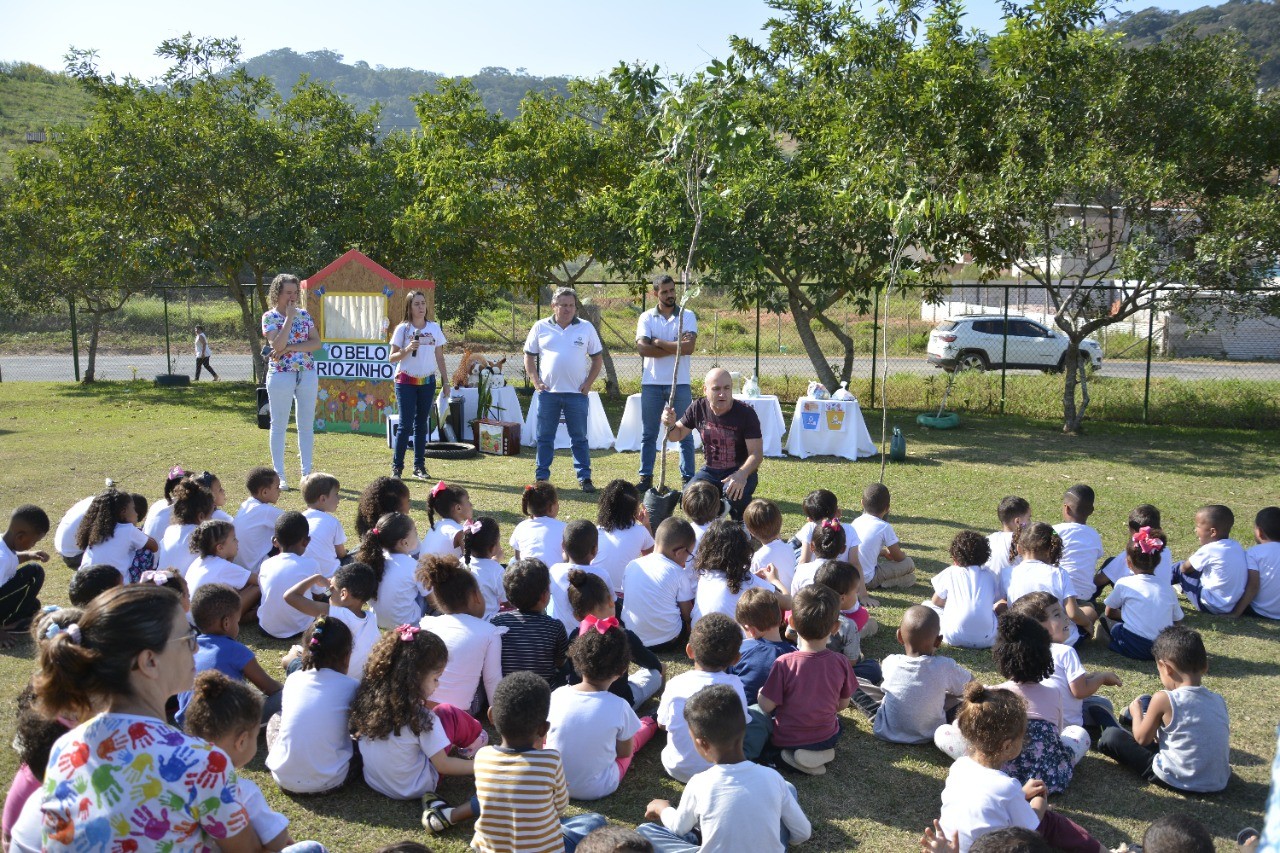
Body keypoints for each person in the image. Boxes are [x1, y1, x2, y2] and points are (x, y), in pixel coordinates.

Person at [33, 584, 261, 851]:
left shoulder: (64, 748)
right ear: (149, 662)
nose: (196, 649)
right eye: (188, 637)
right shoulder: (202, 761)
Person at [930, 683, 1105, 853]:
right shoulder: (1007, 787)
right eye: (1022, 737)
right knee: (1050, 820)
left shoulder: (959, 767)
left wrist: (1020, 794)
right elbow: (1029, 829)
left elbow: (985, 802)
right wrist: (1039, 804)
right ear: (1007, 746)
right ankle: (1103, 851)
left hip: (951, 847)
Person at [637, 684, 811, 853]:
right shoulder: (773, 777)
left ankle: (702, 838)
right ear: (745, 728)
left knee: (646, 831)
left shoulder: (699, 783)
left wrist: (663, 808)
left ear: (701, 743)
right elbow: (803, 833)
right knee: (788, 789)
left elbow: (679, 828)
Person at [936, 614, 1087, 794]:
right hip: (1047, 777)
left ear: (1001, 656)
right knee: (1078, 732)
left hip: (999, 773)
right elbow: (1059, 732)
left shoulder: (992, 693)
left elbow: (970, 732)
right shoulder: (1054, 692)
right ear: (1046, 655)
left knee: (942, 733)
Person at [349, 627, 484, 819]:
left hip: (375, 782)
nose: (438, 685)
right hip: (416, 786)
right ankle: (476, 739)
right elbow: (443, 766)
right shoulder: (422, 718)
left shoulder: (366, 700)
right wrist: (481, 766)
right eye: (436, 678)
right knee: (448, 712)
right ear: (414, 678)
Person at [184, 672, 327, 852]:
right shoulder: (243, 791)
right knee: (314, 848)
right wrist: (282, 839)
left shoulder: (179, 779)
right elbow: (276, 840)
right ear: (242, 741)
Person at [468, 671, 608, 852]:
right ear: (544, 729)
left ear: (492, 716)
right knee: (594, 821)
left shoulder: (482, 757)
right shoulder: (550, 760)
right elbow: (559, 808)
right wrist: (560, 789)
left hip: (489, 849)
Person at [1096, 625, 1230, 794]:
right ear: (1205, 666)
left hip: (1178, 779)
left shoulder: (1164, 698)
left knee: (1111, 737)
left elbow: (1142, 739)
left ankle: (1128, 715)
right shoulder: (1218, 700)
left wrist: (1136, 712)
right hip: (1217, 781)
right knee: (1148, 702)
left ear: (1165, 667)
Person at [546, 616, 657, 800]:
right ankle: (650, 723)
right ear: (622, 671)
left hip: (555, 784)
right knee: (633, 742)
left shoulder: (557, 695)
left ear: (577, 659)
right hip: (598, 787)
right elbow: (624, 752)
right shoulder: (619, 706)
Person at [758, 585, 857, 776]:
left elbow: (766, 706)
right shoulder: (841, 662)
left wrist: (762, 693)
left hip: (786, 738)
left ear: (791, 622)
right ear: (835, 627)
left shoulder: (784, 663)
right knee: (840, 725)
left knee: (765, 738)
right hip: (827, 736)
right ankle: (820, 753)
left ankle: (789, 759)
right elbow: (842, 704)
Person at [1008, 592, 1120, 749]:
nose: (1066, 617)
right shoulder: (1065, 652)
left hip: (1032, 725)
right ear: (1037, 627)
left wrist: (1089, 677)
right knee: (1102, 703)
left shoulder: (1021, 654)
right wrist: (1102, 678)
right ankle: (1110, 732)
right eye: (1057, 615)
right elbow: (1080, 691)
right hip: (1067, 729)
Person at [266, 615, 360, 794]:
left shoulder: (293, 679)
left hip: (283, 778)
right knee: (361, 740)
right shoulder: (351, 686)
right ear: (347, 657)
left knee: (275, 720)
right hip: (331, 780)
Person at [852, 606, 973, 745]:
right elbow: (972, 685)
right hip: (932, 732)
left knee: (851, 681)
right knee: (969, 698)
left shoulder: (891, 661)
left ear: (899, 636)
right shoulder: (945, 666)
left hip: (888, 728)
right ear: (938, 641)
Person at [656, 612, 754, 783]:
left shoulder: (676, 684)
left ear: (689, 651)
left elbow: (662, 724)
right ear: (736, 659)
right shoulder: (734, 685)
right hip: (718, 770)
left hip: (677, 768)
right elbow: (742, 724)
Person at [523, 286, 604, 492]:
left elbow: (597, 359)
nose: (567, 309)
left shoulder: (586, 328)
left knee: (579, 438)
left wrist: (588, 383)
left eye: (571, 305)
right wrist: (535, 381)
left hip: (577, 394)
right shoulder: (540, 327)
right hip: (548, 394)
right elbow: (529, 356)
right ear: (553, 306)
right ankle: (542, 478)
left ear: (575, 307)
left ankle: (585, 478)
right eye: (563, 305)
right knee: (545, 437)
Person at [662, 368, 763, 521]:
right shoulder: (698, 407)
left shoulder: (746, 413)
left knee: (734, 493)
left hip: (740, 470)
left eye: (727, 388)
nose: (722, 394)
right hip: (710, 470)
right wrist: (669, 424)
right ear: (705, 390)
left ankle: (741, 519)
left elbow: (756, 454)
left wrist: (741, 474)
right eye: (716, 389)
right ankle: (713, 517)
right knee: (688, 498)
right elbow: (676, 435)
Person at [175, 583, 282, 726]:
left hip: (189, 727)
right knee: (288, 693)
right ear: (226, 623)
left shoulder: (188, 648)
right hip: (225, 729)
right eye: (237, 621)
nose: (237, 626)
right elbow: (271, 688)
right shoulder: (236, 650)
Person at [565, 569, 665, 710]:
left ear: (577, 615)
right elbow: (652, 663)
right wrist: (660, 668)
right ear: (611, 602)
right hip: (619, 703)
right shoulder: (623, 636)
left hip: (580, 702)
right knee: (654, 675)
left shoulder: (574, 637)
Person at [418, 555, 506, 714]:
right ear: (476, 596)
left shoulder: (427, 625)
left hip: (423, 706)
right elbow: (492, 679)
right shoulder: (489, 632)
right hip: (458, 714)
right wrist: (498, 714)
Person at [635, 274, 698, 492]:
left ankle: (688, 478)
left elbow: (688, 348)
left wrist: (659, 343)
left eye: (672, 290)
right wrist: (675, 346)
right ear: (655, 294)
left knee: (685, 432)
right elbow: (643, 349)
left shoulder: (687, 315)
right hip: (651, 383)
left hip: (680, 383)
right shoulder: (646, 317)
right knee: (649, 433)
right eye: (665, 292)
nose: (670, 295)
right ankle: (646, 478)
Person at [262, 272, 322, 491]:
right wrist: (288, 318)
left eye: (295, 292)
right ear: (277, 294)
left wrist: (291, 348)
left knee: (306, 425)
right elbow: (277, 345)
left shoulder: (305, 315)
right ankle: (280, 476)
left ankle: (307, 474)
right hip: (281, 374)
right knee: (279, 425)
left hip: (306, 372)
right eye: (288, 293)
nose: (293, 297)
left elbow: (316, 343)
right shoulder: (269, 317)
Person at [389, 289, 450, 480]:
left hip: (427, 381)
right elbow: (392, 358)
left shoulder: (434, 328)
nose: (421, 307)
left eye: (423, 303)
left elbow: (439, 356)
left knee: (421, 424)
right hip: (405, 381)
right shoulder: (403, 329)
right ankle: (397, 468)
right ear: (409, 307)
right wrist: (407, 349)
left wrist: (445, 382)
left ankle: (419, 467)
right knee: (405, 424)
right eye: (416, 304)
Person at [283, 562, 381, 679]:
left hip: (335, 678)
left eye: (331, 588)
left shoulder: (337, 613)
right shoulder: (371, 618)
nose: (328, 590)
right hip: (359, 680)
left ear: (343, 594)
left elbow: (290, 596)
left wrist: (315, 578)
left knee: (290, 658)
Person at [1100, 528, 1183, 659]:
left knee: (1103, 620)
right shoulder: (1168, 588)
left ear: (1128, 562)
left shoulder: (1124, 583)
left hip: (1135, 645)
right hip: (1162, 648)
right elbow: (1177, 621)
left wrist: (1129, 616)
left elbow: (1109, 612)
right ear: (1158, 561)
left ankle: (1112, 643)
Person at [692, 519, 789, 625]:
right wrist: (774, 580)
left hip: (699, 636)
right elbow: (788, 603)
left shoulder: (704, 574)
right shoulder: (748, 581)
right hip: (734, 640)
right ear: (743, 549)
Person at [621, 518, 698, 652]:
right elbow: (687, 614)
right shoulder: (678, 572)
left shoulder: (633, 565)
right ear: (679, 552)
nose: (688, 558)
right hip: (668, 640)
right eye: (689, 554)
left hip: (632, 640)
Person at [490, 558, 570, 686]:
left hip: (506, 692)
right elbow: (560, 662)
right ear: (544, 596)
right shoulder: (554, 627)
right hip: (544, 694)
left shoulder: (497, 622)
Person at [1005, 523, 1087, 644]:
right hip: (1059, 640)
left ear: (1019, 548)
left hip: (1021, 638)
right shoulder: (1059, 573)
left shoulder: (1008, 573)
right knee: (1089, 611)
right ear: (1052, 549)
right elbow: (1073, 613)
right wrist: (1089, 624)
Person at [1174, 504, 1253, 616]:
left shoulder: (1211, 549)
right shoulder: (1236, 546)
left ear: (1213, 532)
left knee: (1178, 567)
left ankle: (1158, 583)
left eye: (1198, 527)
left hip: (1209, 605)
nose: (1195, 530)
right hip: (1230, 605)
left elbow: (1185, 569)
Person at [930, 531, 1002, 649]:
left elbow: (936, 602)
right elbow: (995, 600)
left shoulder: (951, 572)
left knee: (927, 605)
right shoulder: (991, 575)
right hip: (988, 639)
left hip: (953, 637)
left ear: (954, 557)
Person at [358, 512, 427, 629]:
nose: (417, 535)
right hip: (407, 623)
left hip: (378, 620)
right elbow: (431, 597)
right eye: (415, 532)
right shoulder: (413, 566)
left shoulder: (373, 560)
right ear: (404, 542)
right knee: (428, 589)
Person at [257, 511, 320, 639]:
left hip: (267, 629)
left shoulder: (266, 564)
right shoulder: (311, 564)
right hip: (301, 628)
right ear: (306, 541)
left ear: (275, 541)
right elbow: (319, 594)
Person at [592, 480, 655, 606]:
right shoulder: (640, 532)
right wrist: (647, 525)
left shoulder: (596, 531)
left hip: (595, 592)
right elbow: (652, 557)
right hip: (623, 597)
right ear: (634, 508)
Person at [729, 588, 796, 705]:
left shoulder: (739, 650)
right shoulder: (795, 654)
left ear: (752, 630)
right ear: (780, 618)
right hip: (782, 719)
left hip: (742, 716)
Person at [76, 488, 157, 583]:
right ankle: (138, 587)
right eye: (134, 509)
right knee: (147, 552)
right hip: (117, 586)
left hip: (85, 582)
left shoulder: (96, 530)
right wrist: (138, 531)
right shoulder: (128, 530)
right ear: (123, 512)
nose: (136, 514)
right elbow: (154, 546)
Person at [185, 519, 261, 620]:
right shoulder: (223, 567)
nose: (237, 541)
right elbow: (260, 580)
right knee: (259, 586)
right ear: (220, 548)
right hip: (208, 623)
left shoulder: (199, 561)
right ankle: (256, 614)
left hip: (192, 618)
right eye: (234, 539)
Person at [1052, 485, 1105, 625]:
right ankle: (1077, 622)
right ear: (1091, 511)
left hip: (1054, 594)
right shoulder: (1094, 536)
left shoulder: (1054, 531)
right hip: (1082, 598)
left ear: (1066, 508)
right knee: (1090, 611)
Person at [548, 520, 613, 633]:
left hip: (562, 635)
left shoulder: (555, 570)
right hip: (592, 635)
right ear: (595, 549)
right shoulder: (602, 574)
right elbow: (611, 603)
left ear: (563, 546)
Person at [1093, 504, 1172, 593]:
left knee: (1110, 562)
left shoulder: (1132, 552)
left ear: (1133, 532)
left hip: (1133, 601)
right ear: (1160, 530)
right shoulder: (1166, 551)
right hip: (1161, 599)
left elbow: (1100, 580)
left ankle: (1089, 597)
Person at [0, 505, 48, 646]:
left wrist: (28, 555)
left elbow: (12, 558)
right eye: (34, 541)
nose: (33, 545)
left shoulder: (4, 545)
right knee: (34, 573)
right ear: (20, 537)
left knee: (33, 606)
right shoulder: (1, 558)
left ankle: (13, 620)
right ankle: (6, 624)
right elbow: (6, 560)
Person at [854, 483, 916, 589]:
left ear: (862, 503)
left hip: (850, 578)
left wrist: (883, 553)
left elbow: (862, 548)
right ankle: (886, 583)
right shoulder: (884, 527)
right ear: (887, 508)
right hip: (867, 579)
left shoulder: (856, 522)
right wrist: (902, 554)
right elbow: (898, 557)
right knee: (909, 563)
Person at [157, 478, 215, 579]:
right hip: (182, 590)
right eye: (211, 515)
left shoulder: (170, 530)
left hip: (161, 587)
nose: (212, 519)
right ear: (201, 517)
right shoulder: (202, 535)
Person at [233, 466, 284, 572]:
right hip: (257, 568)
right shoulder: (264, 511)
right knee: (293, 540)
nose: (280, 491)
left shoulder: (246, 505)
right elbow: (295, 521)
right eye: (277, 487)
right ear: (264, 492)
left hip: (241, 567)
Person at [301, 473, 347, 578]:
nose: (339, 498)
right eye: (336, 494)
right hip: (331, 576)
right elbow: (342, 554)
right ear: (323, 499)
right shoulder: (332, 522)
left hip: (306, 578)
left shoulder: (300, 519)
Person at [745, 499, 797, 591]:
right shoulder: (789, 548)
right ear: (780, 523)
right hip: (790, 596)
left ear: (751, 531)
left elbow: (750, 585)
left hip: (772, 601)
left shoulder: (757, 558)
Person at [510, 482, 565, 565]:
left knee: (512, 560)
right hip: (552, 576)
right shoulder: (565, 528)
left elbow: (518, 557)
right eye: (557, 502)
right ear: (551, 507)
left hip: (526, 575)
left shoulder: (521, 527)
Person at [462, 517, 506, 620]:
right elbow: (507, 601)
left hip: (464, 621)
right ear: (492, 547)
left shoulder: (460, 563)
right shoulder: (497, 570)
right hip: (489, 622)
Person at [988, 496, 1031, 594]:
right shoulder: (1027, 544)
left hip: (990, 598)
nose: (1031, 523)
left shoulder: (988, 540)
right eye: (1029, 518)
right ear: (1018, 521)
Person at [1247, 507, 1280, 620]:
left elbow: (1252, 586)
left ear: (1259, 532)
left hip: (1260, 611)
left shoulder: (1253, 553)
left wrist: (1236, 612)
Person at [424, 481, 472, 558]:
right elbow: (471, 562)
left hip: (423, 569)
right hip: (439, 570)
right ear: (458, 508)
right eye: (468, 500)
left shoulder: (437, 526)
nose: (471, 504)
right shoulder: (459, 532)